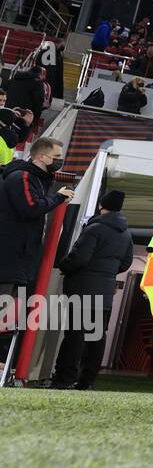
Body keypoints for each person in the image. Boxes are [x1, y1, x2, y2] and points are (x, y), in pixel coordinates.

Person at [0, 139, 75, 374]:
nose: (60, 160)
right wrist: (58, 198)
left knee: (8, 314)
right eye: (57, 156)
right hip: (9, 257)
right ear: (42, 157)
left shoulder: (38, 179)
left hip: (20, 259)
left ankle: (4, 363)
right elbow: (30, 207)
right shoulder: (21, 177)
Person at [51, 190, 134, 389]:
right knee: (96, 337)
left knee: (75, 336)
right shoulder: (126, 233)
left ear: (101, 206)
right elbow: (126, 263)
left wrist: (64, 265)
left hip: (82, 289)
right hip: (104, 292)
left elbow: (79, 258)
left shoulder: (95, 228)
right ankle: (86, 381)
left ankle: (64, 379)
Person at [0, 89, 35, 166]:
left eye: (4, 101)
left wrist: (27, 124)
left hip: (5, 166)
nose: (2, 103)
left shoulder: (7, 119)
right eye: (0, 100)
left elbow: (19, 138)